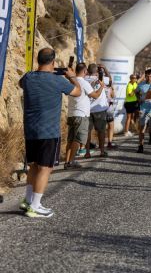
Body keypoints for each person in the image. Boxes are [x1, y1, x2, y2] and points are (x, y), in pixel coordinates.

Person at [19, 48, 81, 218]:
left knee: (33, 165)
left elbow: (20, 84)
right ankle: (35, 206)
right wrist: (72, 77)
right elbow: (78, 92)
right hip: (49, 131)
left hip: (30, 129)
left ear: (39, 60)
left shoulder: (28, 77)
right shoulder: (58, 81)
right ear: (53, 62)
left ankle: (28, 200)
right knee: (45, 168)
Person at [65, 63, 104, 169]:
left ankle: (67, 161)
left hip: (71, 114)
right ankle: (71, 162)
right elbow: (95, 95)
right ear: (85, 71)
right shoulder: (83, 82)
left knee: (70, 140)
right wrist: (102, 87)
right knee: (78, 139)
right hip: (81, 115)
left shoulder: (71, 81)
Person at [84, 64, 110, 158]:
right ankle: (102, 151)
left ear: (87, 70)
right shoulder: (101, 78)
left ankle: (87, 152)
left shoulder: (84, 79)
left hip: (87, 109)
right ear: (97, 71)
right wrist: (105, 69)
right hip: (100, 110)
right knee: (101, 131)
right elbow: (110, 81)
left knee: (87, 132)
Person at [136, 69, 151, 153]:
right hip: (143, 109)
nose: (149, 78)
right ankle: (140, 146)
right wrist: (139, 99)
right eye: (147, 76)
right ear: (145, 76)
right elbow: (136, 92)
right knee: (142, 128)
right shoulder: (141, 84)